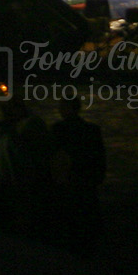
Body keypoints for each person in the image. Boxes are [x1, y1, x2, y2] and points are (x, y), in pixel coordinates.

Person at [50, 97, 106, 248]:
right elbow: (99, 159)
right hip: (86, 182)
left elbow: (52, 157)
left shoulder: (57, 130)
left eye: (61, 107)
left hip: (67, 182)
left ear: (66, 109)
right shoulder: (92, 130)